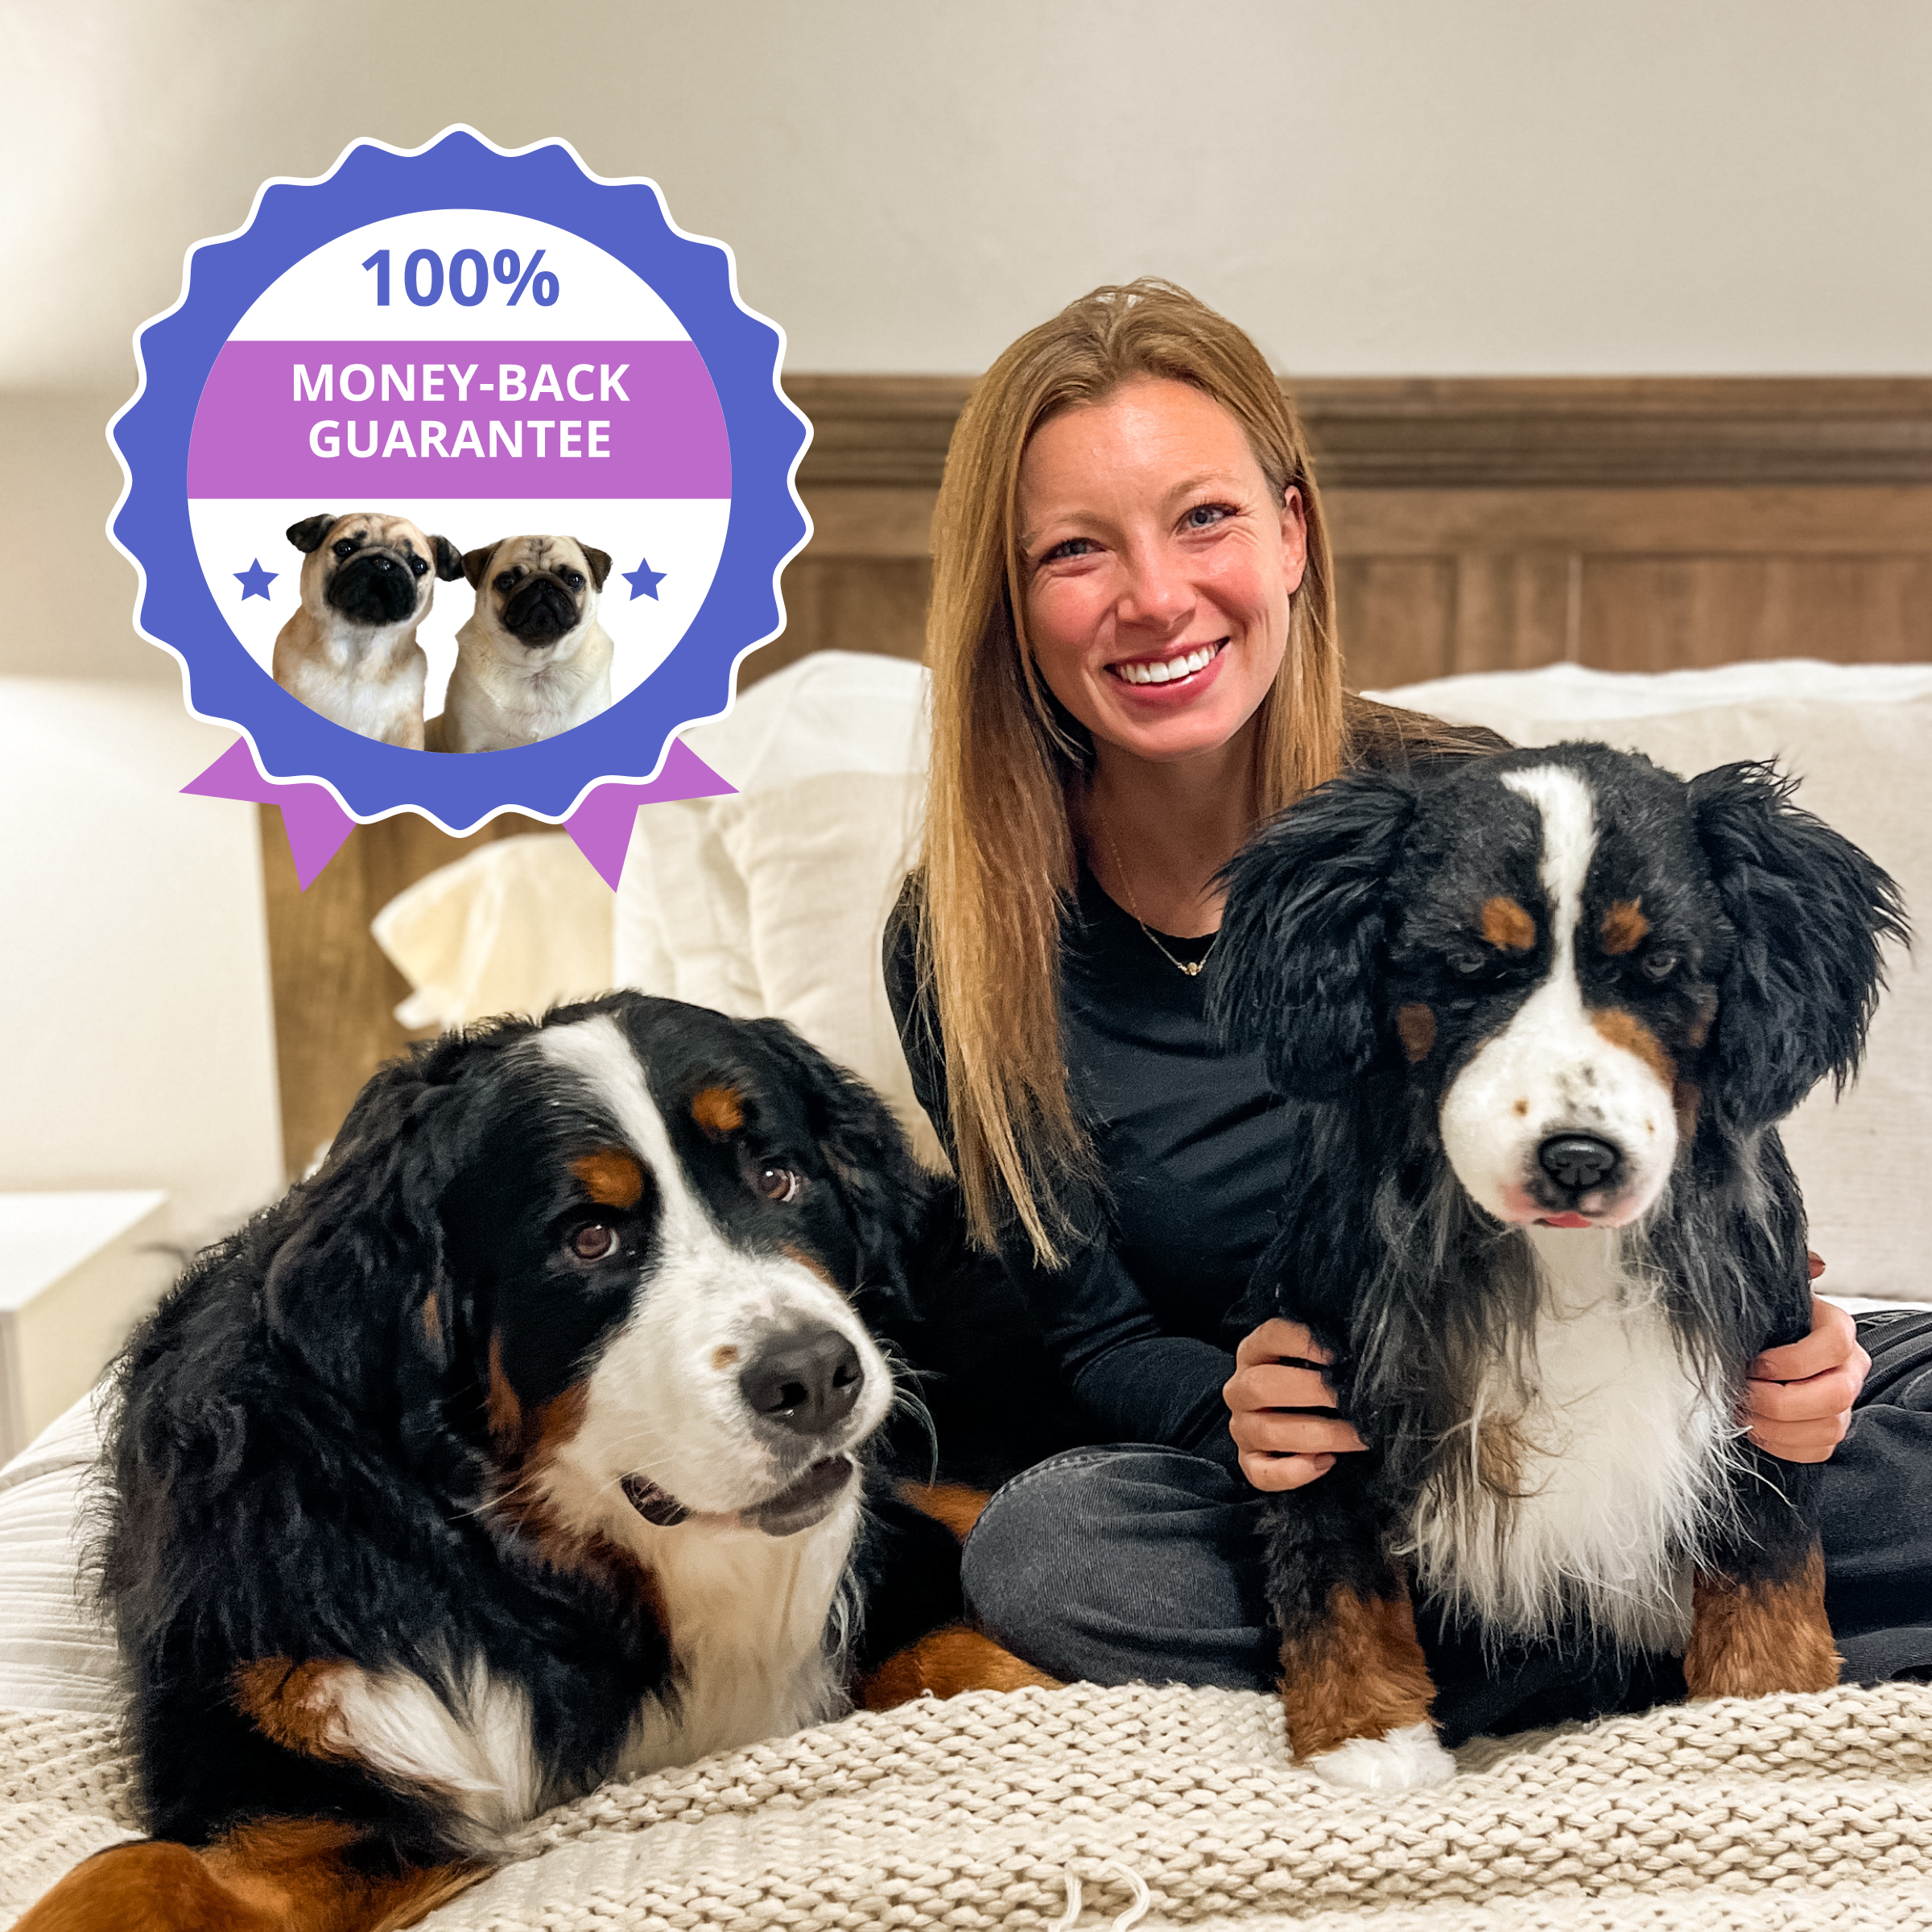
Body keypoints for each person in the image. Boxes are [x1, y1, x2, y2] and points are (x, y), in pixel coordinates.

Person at [883, 279, 1932, 1744]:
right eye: (1075, 550)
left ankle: (1588, 1623)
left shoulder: (1480, 809)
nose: (1155, 596)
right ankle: (1627, 1638)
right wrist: (1243, 1411)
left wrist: (1786, 1365)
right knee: (1043, 1546)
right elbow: (1096, 1337)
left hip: (1638, 1386)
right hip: (1350, 1471)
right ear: (1011, 596)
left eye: (1204, 519)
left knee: (1894, 1393)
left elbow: (1705, 1129)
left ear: (1293, 531)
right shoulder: (969, 944)